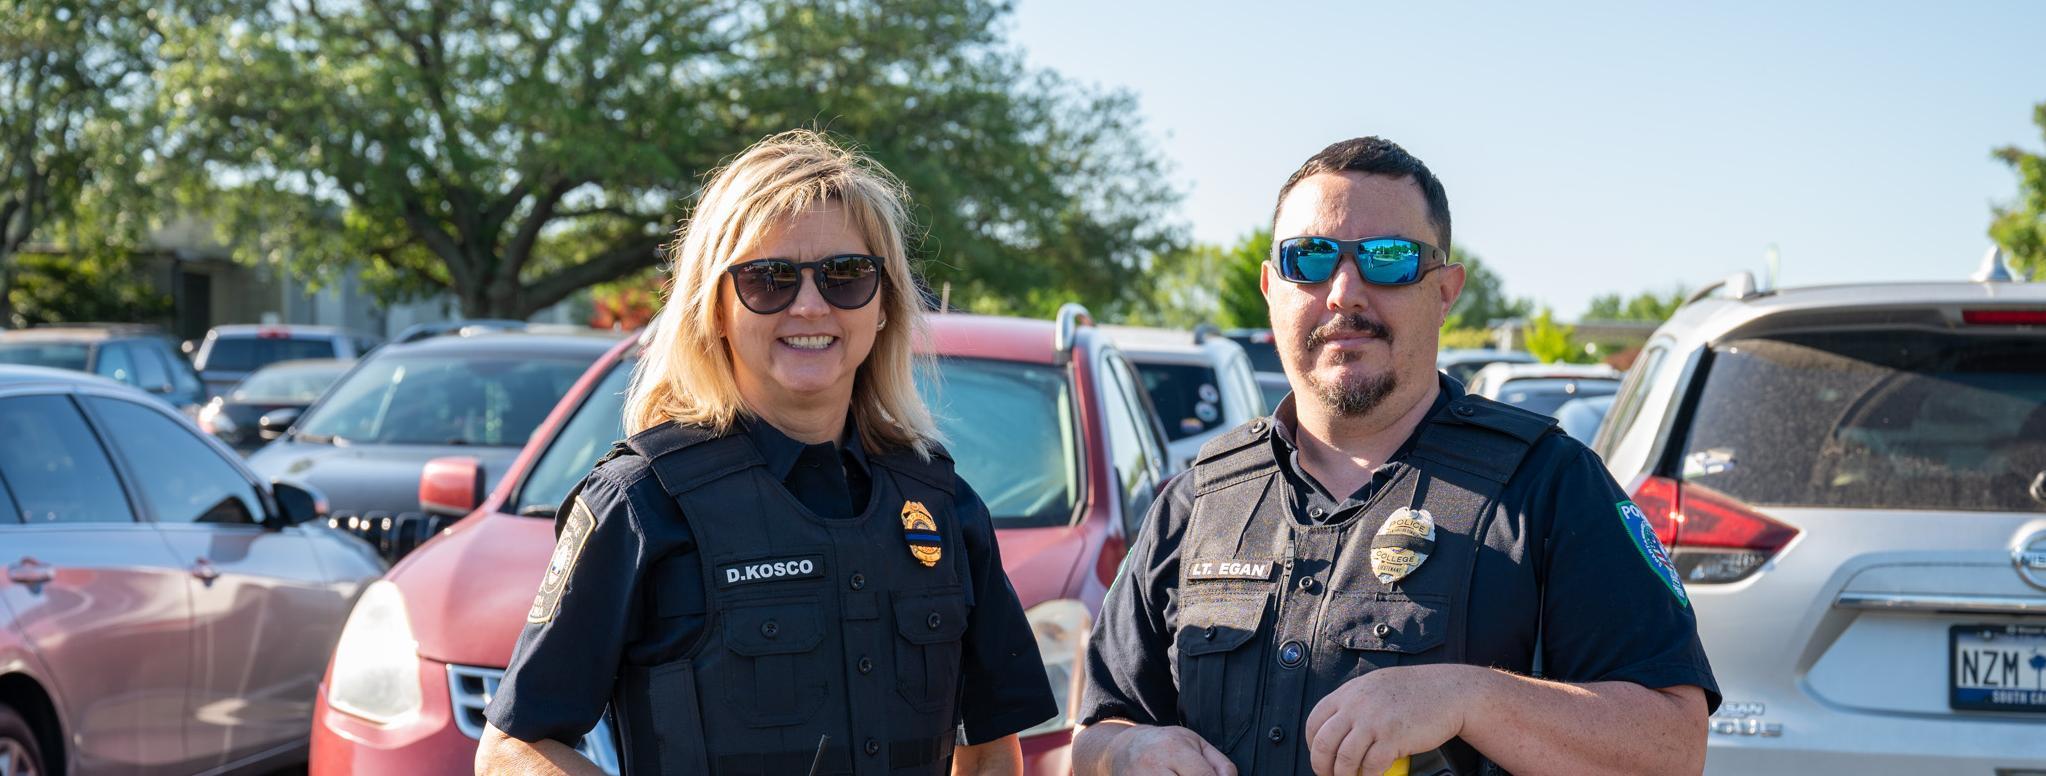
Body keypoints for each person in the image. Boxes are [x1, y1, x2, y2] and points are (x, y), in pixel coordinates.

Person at [1071, 137, 1718, 776]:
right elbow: (1098, 731)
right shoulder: (1200, 500)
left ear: (1444, 291)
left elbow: (1671, 746)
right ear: (1271, 288)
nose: (1344, 292)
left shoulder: (1547, 487)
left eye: (1388, 259)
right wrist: (1131, 753)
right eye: (1310, 258)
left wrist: (1469, 698)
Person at [475, 130, 1058, 775]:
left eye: (845, 275)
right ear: (715, 309)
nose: (809, 305)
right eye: (768, 279)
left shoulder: (942, 504)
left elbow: (989, 750)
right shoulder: (641, 503)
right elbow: (514, 749)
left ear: (885, 303)